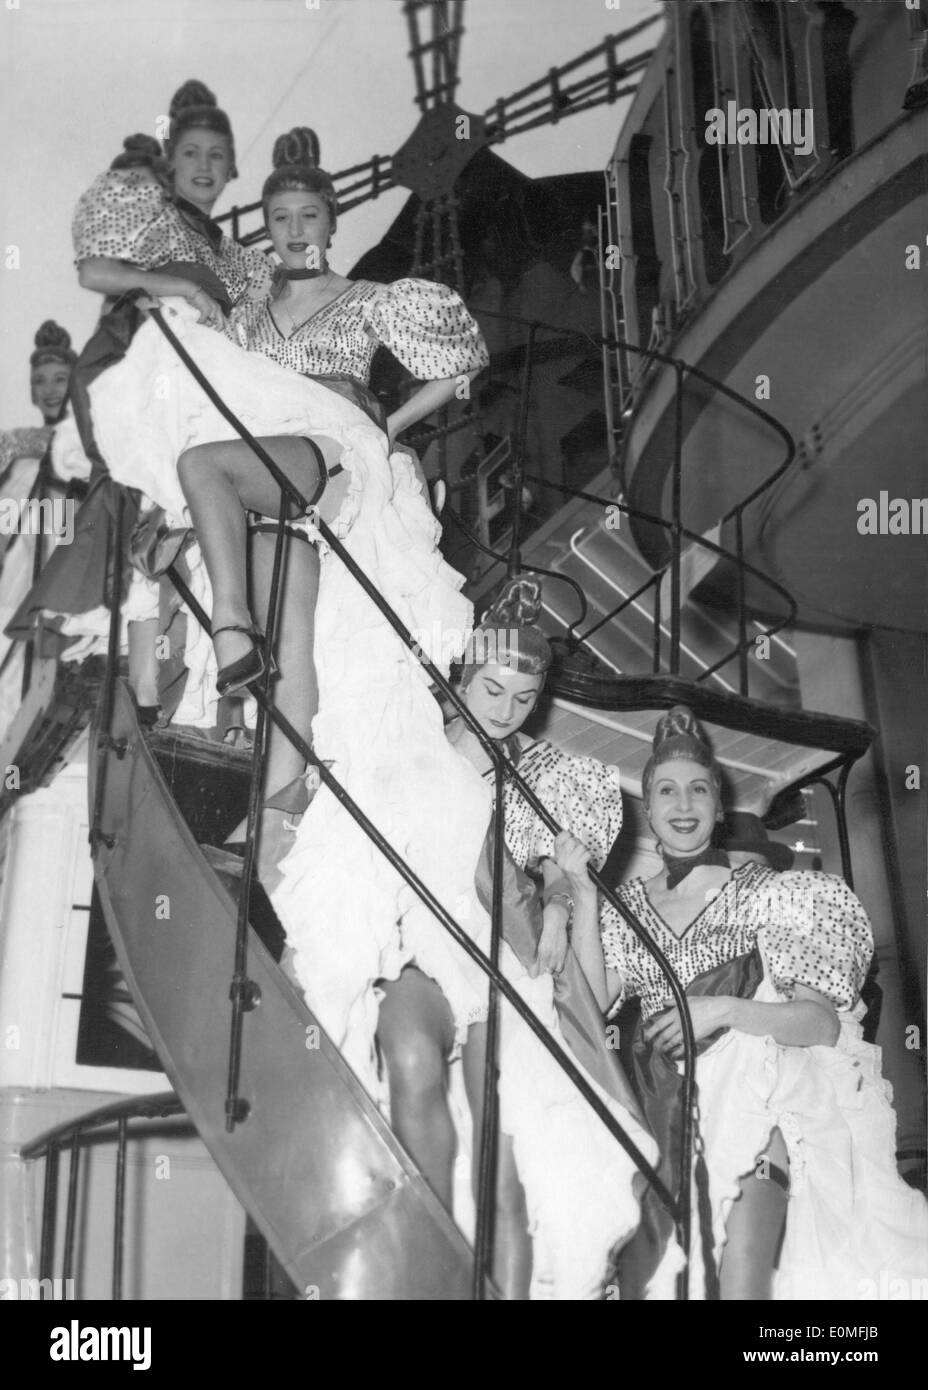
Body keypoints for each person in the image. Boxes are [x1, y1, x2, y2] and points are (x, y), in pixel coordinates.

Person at [79, 128, 489, 881]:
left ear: (331, 221)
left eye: (309, 216)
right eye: (280, 219)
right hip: (266, 467)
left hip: (331, 455)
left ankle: (229, 623)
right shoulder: (246, 305)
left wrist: (389, 426)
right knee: (291, 638)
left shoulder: (369, 300)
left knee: (202, 465)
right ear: (266, 228)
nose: (296, 230)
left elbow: (463, 359)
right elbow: (151, 250)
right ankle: (270, 821)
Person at [599, 705, 928, 1299]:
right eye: (667, 790)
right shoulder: (622, 909)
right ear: (648, 808)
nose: (683, 804)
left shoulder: (776, 895)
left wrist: (723, 1010)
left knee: (740, 1287)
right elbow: (589, 1003)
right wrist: (569, 893)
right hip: (655, 1112)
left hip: (751, 1100)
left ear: (718, 806)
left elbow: (822, 1025)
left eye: (699, 789)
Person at [7, 82, 271, 722]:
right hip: (147, 360)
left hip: (210, 373)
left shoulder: (239, 257)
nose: (205, 166)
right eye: (191, 153)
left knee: (200, 513)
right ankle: (148, 690)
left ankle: (217, 686)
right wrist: (175, 285)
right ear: (169, 162)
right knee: (149, 509)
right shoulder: (148, 212)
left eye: (217, 155)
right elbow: (94, 271)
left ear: (233, 167)